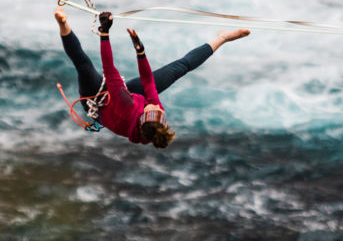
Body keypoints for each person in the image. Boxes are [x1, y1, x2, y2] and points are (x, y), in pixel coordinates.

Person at [55, 8, 250, 148]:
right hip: (129, 100)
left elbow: (109, 69)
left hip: (97, 99)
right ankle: (223, 38)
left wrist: (104, 32)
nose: (157, 105)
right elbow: (148, 82)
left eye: (154, 107)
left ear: (142, 116)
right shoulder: (155, 120)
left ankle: (63, 24)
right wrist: (140, 52)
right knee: (179, 68)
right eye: (158, 109)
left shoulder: (128, 106)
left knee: (83, 64)